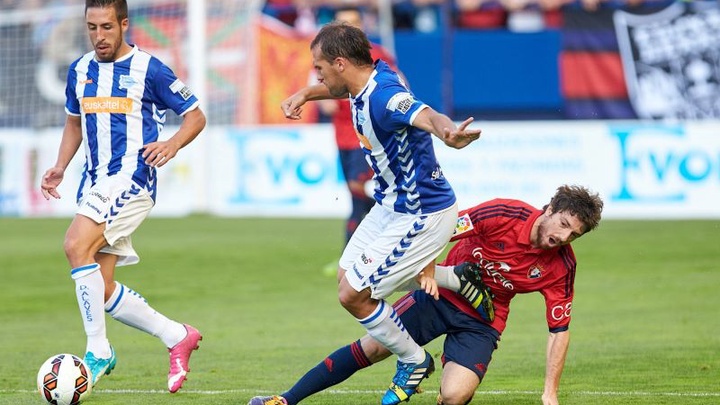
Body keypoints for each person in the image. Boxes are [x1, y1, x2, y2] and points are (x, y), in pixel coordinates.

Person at [280, 21, 485, 405]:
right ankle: (455, 278)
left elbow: (425, 115)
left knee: (353, 294)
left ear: (340, 63)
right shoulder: (368, 78)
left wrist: (449, 134)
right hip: (392, 204)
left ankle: (414, 360)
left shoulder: (385, 96)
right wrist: (308, 93)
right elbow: (338, 90)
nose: (317, 75)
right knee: (347, 275)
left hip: (421, 213)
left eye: (319, 69)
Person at [248, 184, 604, 405]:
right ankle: (286, 399)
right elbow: (441, 230)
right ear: (549, 209)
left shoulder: (562, 266)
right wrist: (429, 269)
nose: (564, 236)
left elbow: (559, 331)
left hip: (483, 322)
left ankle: (432, 366)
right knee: (372, 348)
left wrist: (550, 393)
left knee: (455, 395)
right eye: (563, 224)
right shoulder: (503, 213)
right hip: (437, 297)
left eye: (574, 234)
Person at [39, 0, 206, 393]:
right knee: (102, 285)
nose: (99, 36)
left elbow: (196, 115)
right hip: (93, 184)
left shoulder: (150, 68)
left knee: (74, 245)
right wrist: (61, 166)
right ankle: (176, 335)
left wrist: (173, 144)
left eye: (107, 27)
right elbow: (73, 123)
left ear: (124, 25)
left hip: (132, 180)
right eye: (92, 27)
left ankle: (97, 350)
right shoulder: (80, 70)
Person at [316, 7, 400, 275]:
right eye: (343, 23)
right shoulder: (328, 59)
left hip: (366, 138)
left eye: (353, 22)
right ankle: (354, 258)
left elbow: (401, 86)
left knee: (362, 194)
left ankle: (368, 254)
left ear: (362, 26)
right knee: (359, 200)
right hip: (343, 137)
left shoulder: (377, 56)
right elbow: (327, 106)